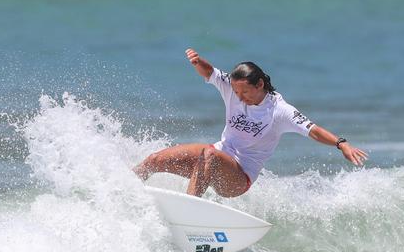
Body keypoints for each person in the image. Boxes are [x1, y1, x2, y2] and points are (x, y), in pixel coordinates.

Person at [133, 48, 368, 198]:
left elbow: (313, 130)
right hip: (212, 159)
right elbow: (211, 73)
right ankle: (125, 190)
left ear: (260, 86)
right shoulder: (232, 88)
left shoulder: (280, 110)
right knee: (155, 160)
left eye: (244, 92)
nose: (239, 97)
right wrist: (197, 61)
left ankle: (189, 212)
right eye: (235, 92)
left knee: (209, 154)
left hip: (238, 178)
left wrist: (341, 144)